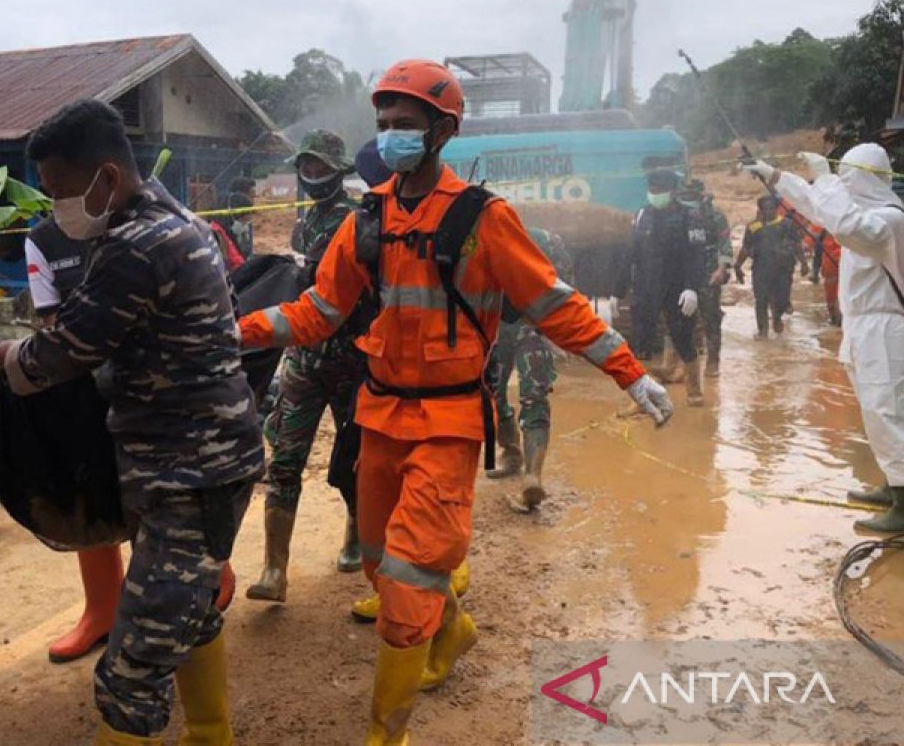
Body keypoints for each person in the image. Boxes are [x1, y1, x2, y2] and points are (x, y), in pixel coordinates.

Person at [238, 59, 671, 744]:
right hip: (381, 414)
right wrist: (235, 331)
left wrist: (629, 371)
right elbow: (319, 310)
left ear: (442, 130)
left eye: (403, 126)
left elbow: (554, 305)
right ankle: (454, 628)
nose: (389, 138)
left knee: (408, 582)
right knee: (382, 566)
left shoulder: (483, 219)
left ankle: (387, 735)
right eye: (382, 126)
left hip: (447, 420)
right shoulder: (368, 219)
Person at [0, 99, 264, 745]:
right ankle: (211, 736)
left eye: (58, 189)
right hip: (188, 461)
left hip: (193, 472)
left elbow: (57, 354)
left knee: (128, 677)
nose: (54, 206)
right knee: (190, 617)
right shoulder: (175, 219)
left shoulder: (137, 245)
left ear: (104, 176)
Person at [745, 144, 904, 533]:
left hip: (888, 329)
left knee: (894, 412)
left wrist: (827, 178)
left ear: (862, 178)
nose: (842, 186)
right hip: (865, 327)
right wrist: (778, 177)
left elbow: (845, 224)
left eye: (848, 178)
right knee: (877, 412)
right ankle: (894, 486)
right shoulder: (866, 215)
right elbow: (820, 208)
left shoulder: (887, 220)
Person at [246, 128, 368, 603]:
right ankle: (274, 570)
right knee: (286, 461)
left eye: (320, 167)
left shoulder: (358, 221)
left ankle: (356, 535)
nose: (312, 175)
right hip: (303, 360)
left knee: (352, 458)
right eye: (306, 167)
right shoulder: (301, 225)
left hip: (349, 360)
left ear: (338, 170)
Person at [23, 216, 128, 664]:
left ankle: (205, 582)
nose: (57, 189)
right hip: (81, 382)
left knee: (163, 492)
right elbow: (50, 319)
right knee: (89, 488)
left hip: (149, 379)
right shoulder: (42, 239)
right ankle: (103, 610)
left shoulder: (133, 221)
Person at [485, 227, 574, 517]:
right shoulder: (480, 242)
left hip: (533, 325)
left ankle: (533, 476)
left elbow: (563, 290)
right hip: (495, 326)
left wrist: (558, 330)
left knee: (534, 394)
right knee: (491, 394)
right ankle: (511, 451)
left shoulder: (547, 242)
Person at [616, 168, 708, 407]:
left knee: (683, 338)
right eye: (651, 189)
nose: (654, 194)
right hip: (647, 289)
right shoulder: (641, 215)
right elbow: (630, 254)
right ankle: (641, 399)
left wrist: (692, 289)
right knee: (640, 343)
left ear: (672, 190)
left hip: (678, 290)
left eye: (659, 189)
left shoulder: (690, 216)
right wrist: (618, 291)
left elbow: (697, 257)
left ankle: (694, 392)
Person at [678, 179, 732, 377]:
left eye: (692, 195)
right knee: (679, 318)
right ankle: (682, 364)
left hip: (708, 272)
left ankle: (713, 361)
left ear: (701, 194)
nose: (688, 199)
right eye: (685, 195)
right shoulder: (677, 214)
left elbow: (724, 244)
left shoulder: (715, 216)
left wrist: (721, 269)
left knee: (711, 318)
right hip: (682, 273)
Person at [734, 195, 806, 339]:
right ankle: (762, 332)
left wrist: (804, 263)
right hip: (761, 269)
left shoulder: (787, 224)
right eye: (765, 209)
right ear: (760, 210)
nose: (768, 212)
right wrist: (738, 266)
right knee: (760, 300)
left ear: (777, 209)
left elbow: (797, 245)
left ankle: (777, 317)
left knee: (781, 299)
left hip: (783, 270)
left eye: (771, 209)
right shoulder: (754, 227)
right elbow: (746, 249)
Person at [788, 200, 843, 327]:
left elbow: (808, 242)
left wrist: (798, 251)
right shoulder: (851, 217)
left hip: (832, 264)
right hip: (848, 263)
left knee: (833, 296)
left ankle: (835, 321)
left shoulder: (822, 220)